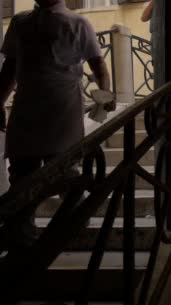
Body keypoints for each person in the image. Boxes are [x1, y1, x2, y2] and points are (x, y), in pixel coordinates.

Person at [0, 0, 114, 249]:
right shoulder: (20, 22)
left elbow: (99, 65)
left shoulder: (79, 23)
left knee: (64, 171)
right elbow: (9, 69)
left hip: (62, 108)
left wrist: (105, 95)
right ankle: (24, 237)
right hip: (27, 108)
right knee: (22, 175)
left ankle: (69, 227)